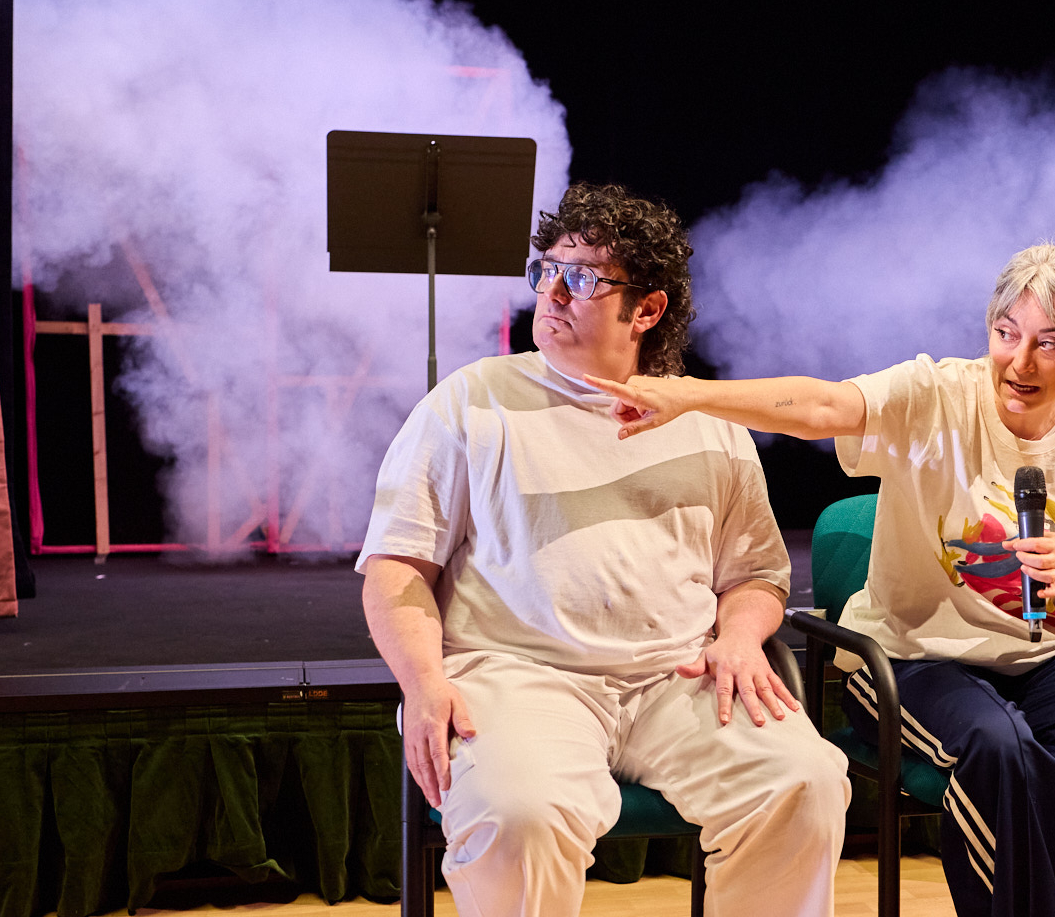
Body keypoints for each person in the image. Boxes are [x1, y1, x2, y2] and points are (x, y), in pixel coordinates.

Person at [588, 241, 1055, 917]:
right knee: (1000, 747)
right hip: (915, 660)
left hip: (1054, 660)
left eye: (1049, 343)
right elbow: (821, 406)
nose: (1021, 362)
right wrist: (689, 396)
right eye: (1006, 334)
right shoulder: (936, 395)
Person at [358, 183, 849, 917]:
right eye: (547, 271)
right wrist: (424, 680)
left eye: (583, 278)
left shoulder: (707, 420)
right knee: (519, 813)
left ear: (646, 309)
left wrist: (742, 637)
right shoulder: (471, 400)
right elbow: (397, 568)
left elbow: (755, 575)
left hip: (676, 678)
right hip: (517, 676)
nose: (553, 293)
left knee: (804, 780)